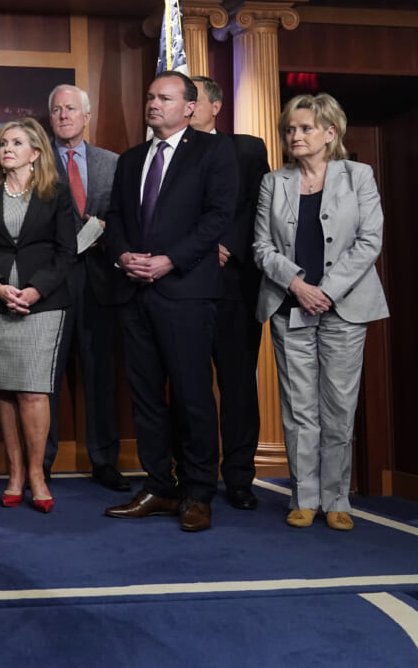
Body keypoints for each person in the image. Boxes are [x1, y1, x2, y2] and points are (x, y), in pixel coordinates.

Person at [102, 70, 236, 533]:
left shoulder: (215, 152)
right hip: (134, 294)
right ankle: (160, 486)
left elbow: (218, 216)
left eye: (164, 97)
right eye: (150, 96)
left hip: (186, 293)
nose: (153, 103)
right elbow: (114, 217)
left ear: (190, 107)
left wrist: (168, 261)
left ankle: (199, 492)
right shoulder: (132, 158)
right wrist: (122, 255)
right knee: (145, 399)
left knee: (193, 395)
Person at [252, 93, 387, 531]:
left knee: (338, 407)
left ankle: (337, 498)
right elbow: (261, 247)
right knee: (298, 408)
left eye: (305, 128)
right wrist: (296, 284)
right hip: (289, 306)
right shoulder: (274, 182)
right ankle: (303, 496)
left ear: (331, 133)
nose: (295, 135)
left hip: (344, 309)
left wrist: (323, 291)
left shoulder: (358, 175)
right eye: (290, 129)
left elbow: (369, 241)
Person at [0, 118, 76, 513]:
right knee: (6, 388)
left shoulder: (56, 195)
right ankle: (14, 473)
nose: (7, 149)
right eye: (3, 143)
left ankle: (37, 474)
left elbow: (66, 253)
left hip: (43, 304)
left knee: (33, 390)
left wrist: (34, 290)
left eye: (16, 142)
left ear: (35, 154)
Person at [189, 75, 271, 511]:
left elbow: (260, 205)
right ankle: (194, 474)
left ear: (216, 106)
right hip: (185, 287)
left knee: (238, 386)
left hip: (236, 284)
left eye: (194, 98)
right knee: (191, 386)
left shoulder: (247, 149)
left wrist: (227, 245)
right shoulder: (169, 154)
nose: (185, 105)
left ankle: (239, 477)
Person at [43, 84, 128, 492]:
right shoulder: (36, 161)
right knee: (45, 378)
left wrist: (111, 232)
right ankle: (40, 462)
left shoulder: (112, 163)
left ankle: (105, 460)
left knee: (99, 376)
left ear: (86, 116)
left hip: (100, 283)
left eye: (71, 109)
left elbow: (127, 217)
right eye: (57, 110)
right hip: (52, 284)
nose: (63, 116)